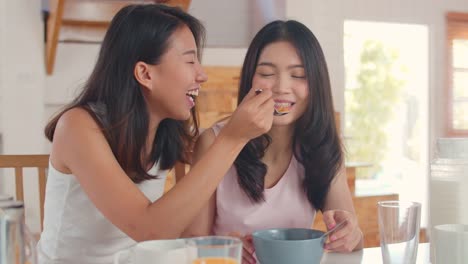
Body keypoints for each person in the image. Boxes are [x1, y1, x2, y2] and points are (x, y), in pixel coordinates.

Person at [37, 4, 274, 264]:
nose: (202, 75)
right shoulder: (78, 127)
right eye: (189, 60)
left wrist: (214, 246)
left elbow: (166, 228)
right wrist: (233, 138)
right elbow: (149, 230)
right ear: (145, 73)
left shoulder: (162, 131)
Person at [182, 20, 364, 263]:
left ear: (316, 85)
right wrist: (225, 246)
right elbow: (193, 239)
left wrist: (350, 234)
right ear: (249, 79)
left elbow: (352, 239)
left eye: (298, 75)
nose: (281, 87)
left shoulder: (321, 146)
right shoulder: (214, 141)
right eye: (267, 74)